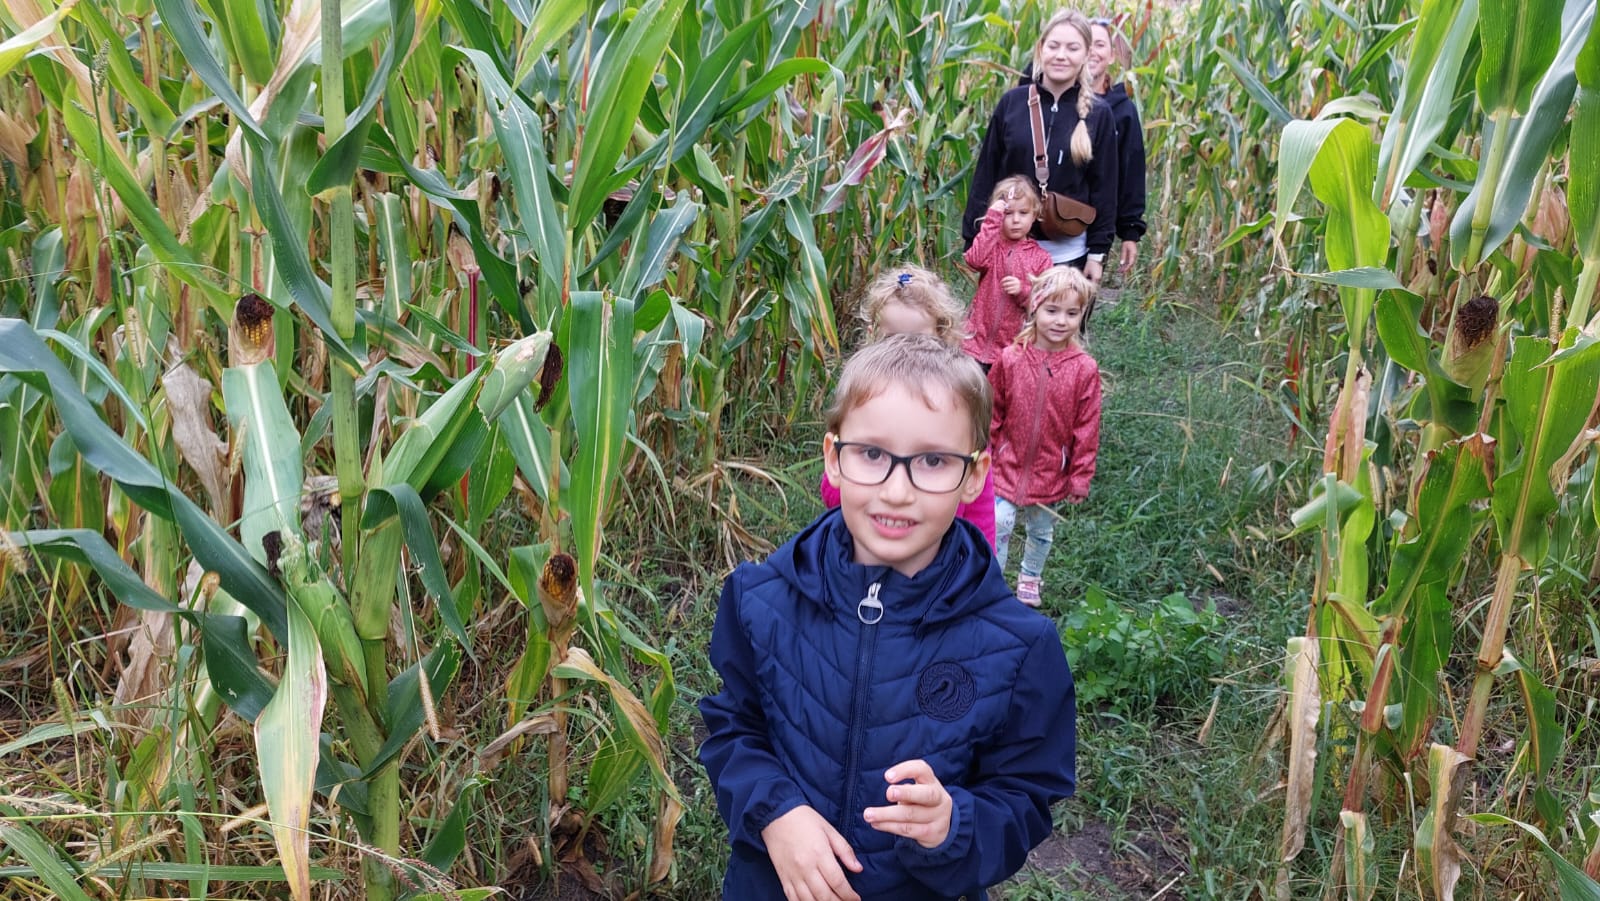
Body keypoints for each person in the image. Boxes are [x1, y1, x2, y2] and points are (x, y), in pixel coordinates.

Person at [700, 334, 1077, 900]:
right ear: (834, 458)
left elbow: (1027, 792)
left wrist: (953, 824)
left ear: (975, 475)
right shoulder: (760, 599)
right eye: (872, 454)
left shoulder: (1019, 646)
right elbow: (732, 728)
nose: (897, 491)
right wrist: (775, 812)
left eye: (933, 461)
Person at [821, 265, 998, 548]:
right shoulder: (863, 404)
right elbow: (833, 489)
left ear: (943, 336)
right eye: (892, 339)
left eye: (917, 340)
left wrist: (980, 556)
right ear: (873, 335)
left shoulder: (958, 413)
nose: (903, 352)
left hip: (940, 554)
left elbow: (981, 510)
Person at [963, 10, 1118, 283]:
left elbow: (1105, 188)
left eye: (1072, 48)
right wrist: (973, 239)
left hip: (1069, 259)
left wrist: (1097, 254)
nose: (1061, 55)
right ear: (1041, 48)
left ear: (1086, 54)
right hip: (1007, 254)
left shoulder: (1099, 114)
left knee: (1058, 315)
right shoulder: (1012, 104)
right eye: (1053, 46)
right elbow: (986, 174)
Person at [987, 267, 1102, 606]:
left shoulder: (1084, 368)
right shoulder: (1010, 358)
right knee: (999, 520)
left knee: (1040, 528)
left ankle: (1030, 577)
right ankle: (994, 582)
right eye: (1052, 310)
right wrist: (985, 451)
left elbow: (1087, 425)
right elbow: (993, 409)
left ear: (1082, 316)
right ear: (1034, 308)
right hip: (1006, 461)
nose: (1061, 321)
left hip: (1051, 467)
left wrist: (1080, 475)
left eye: (1072, 313)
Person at [961, 176, 1056, 369]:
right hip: (974, 342)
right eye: (1007, 213)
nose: (1016, 220)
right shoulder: (992, 246)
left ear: (1034, 215)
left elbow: (1045, 301)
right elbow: (974, 260)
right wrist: (992, 221)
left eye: (1023, 213)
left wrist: (1023, 290)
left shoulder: (1041, 258)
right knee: (971, 386)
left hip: (1011, 349)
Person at [1087, 15, 1147, 279]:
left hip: (1095, 228)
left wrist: (1130, 231)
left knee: (1078, 299)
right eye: (1085, 43)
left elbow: (1131, 170)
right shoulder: (1054, 100)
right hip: (1048, 222)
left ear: (1112, 55)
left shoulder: (1123, 111)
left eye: (1100, 45)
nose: (1092, 51)